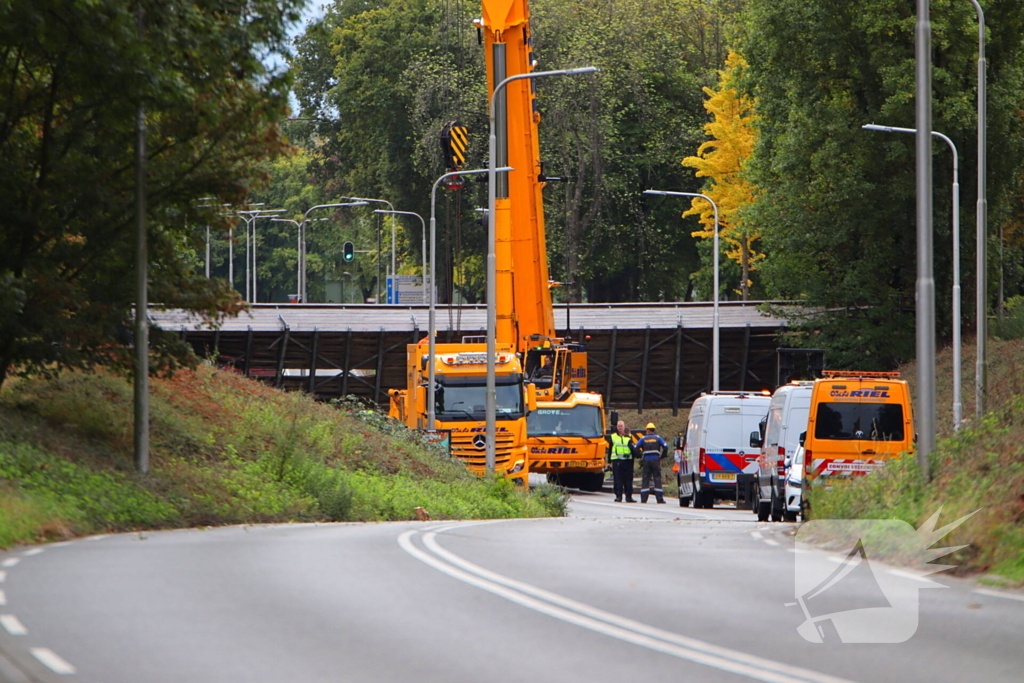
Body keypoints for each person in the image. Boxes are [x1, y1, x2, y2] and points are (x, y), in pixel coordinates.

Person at [636, 422, 667, 504]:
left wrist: (640, 455)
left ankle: (644, 499)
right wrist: (663, 456)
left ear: (647, 430)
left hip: (646, 460)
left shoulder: (643, 439)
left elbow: (636, 447)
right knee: (657, 478)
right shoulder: (658, 438)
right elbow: (666, 447)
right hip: (656, 460)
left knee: (646, 478)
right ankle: (659, 499)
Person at [606, 420, 636, 502]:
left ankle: (628, 496)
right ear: (616, 427)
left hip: (628, 461)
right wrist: (609, 462)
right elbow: (610, 449)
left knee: (629, 479)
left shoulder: (629, 436)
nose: (620, 428)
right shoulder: (613, 437)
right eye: (618, 426)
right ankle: (618, 496)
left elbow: (633, 448)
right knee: (618, 479)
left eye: (621, 426)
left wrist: (634, 457)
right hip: (617, 461)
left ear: (624, 426)